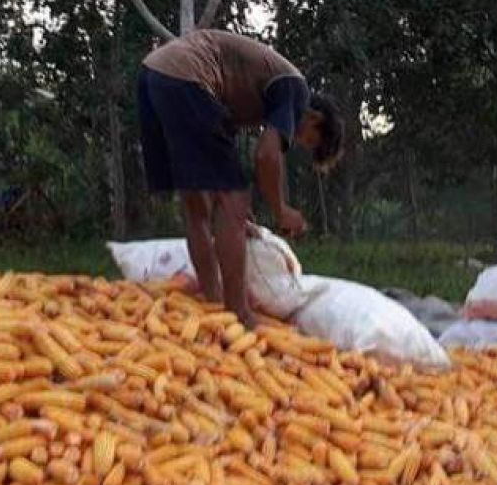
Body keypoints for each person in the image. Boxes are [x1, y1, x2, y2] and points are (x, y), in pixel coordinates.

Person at [138, 30, 344, 328]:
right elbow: (266, 156)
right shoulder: (295, 90)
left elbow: (219, 141)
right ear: (315, 119)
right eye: (310, 141)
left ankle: (212, 299)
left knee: (197, 204)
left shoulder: (252, 92)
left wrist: (236, 216)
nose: (300, 142)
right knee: (230, 200)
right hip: (188, 77)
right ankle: (239, 313)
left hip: (153, 75)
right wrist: (280, 210)